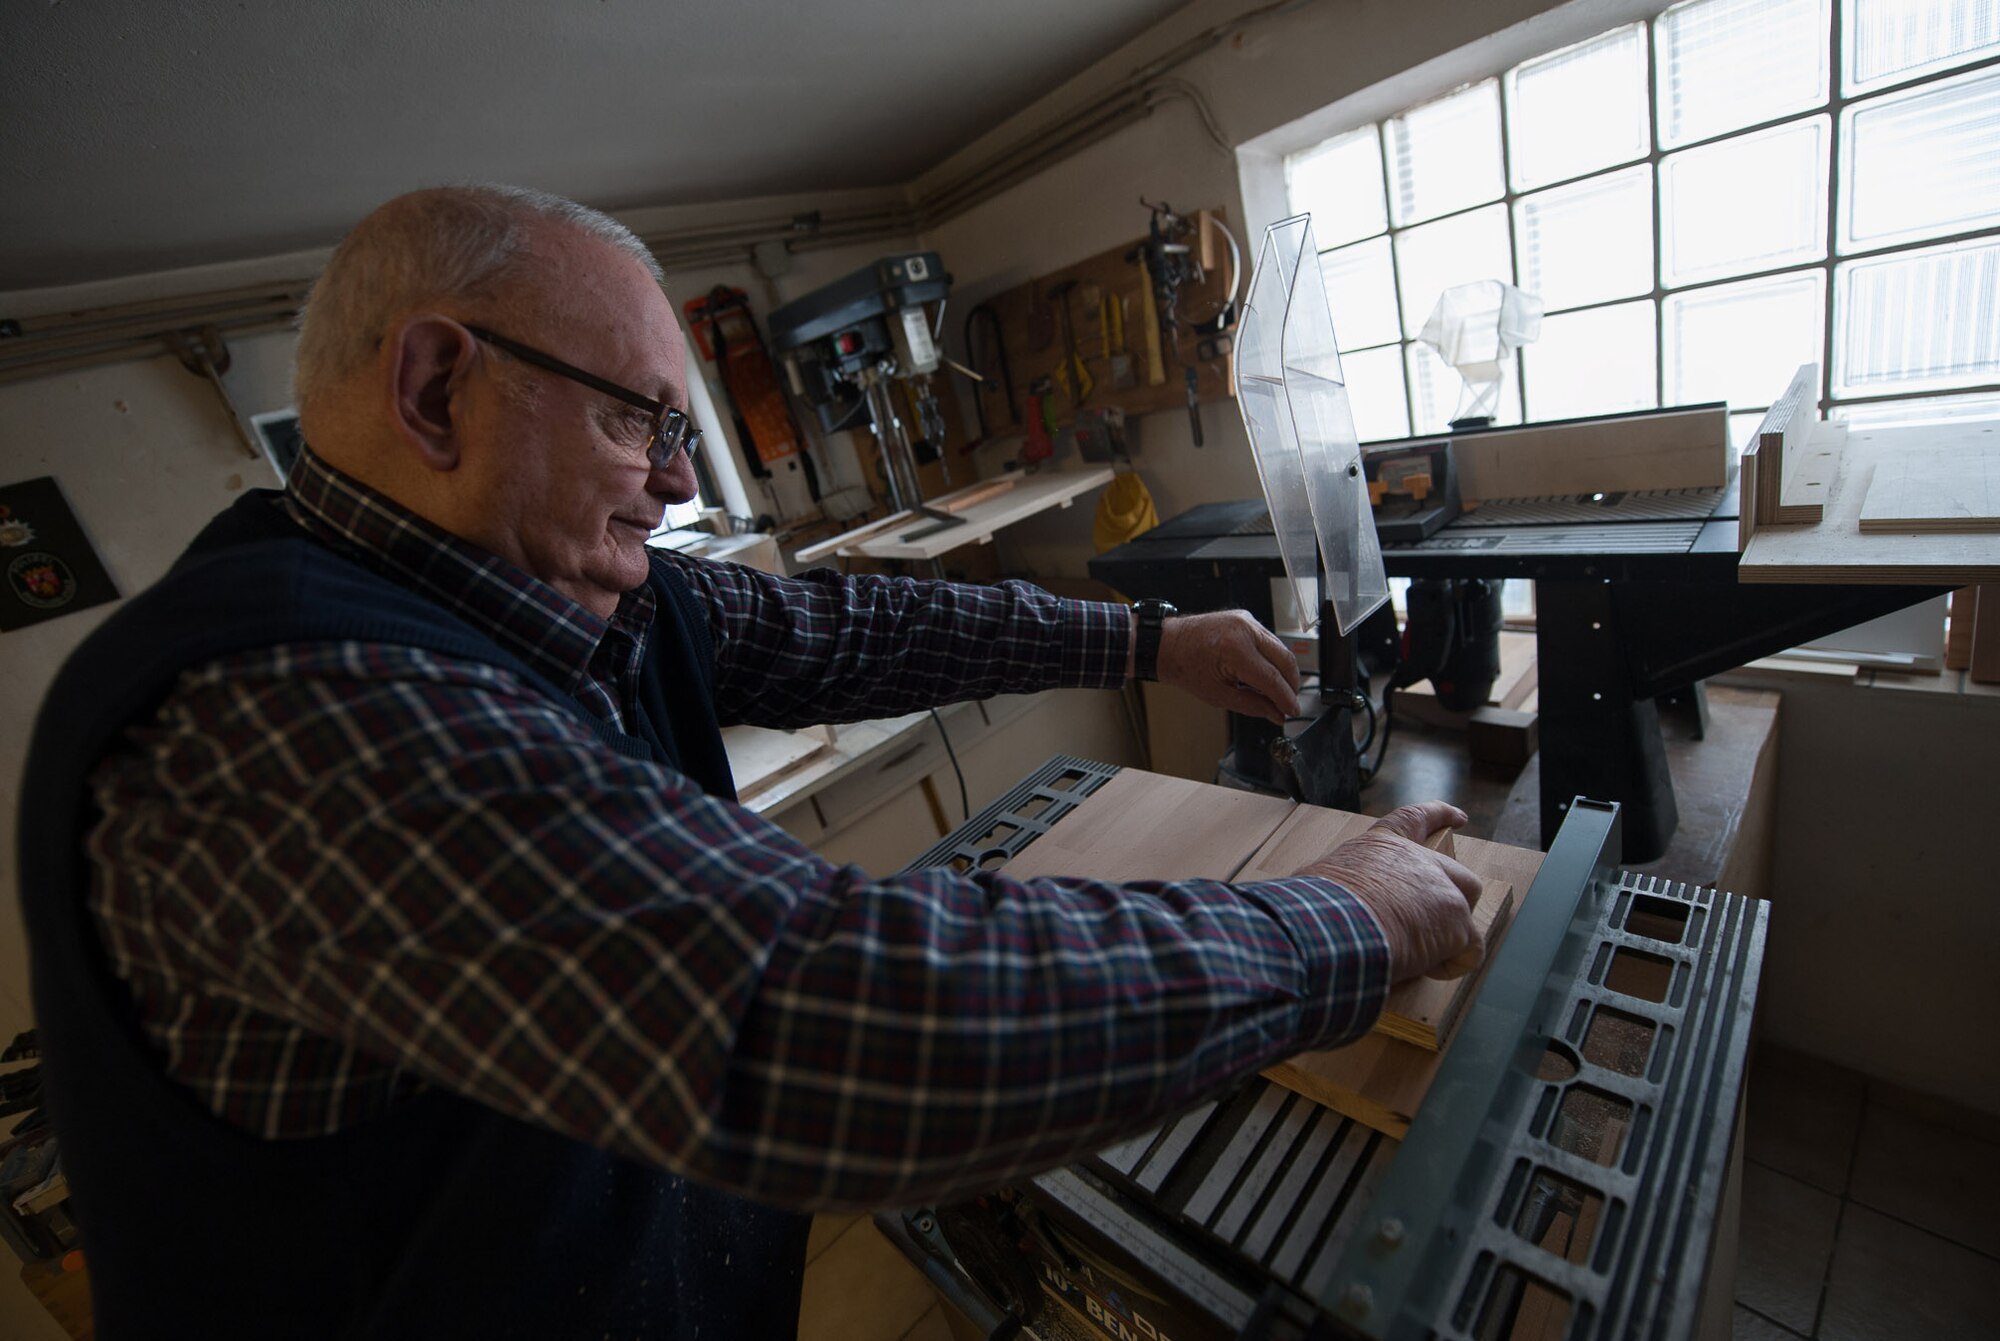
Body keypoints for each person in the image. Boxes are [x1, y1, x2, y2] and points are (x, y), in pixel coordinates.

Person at [18, 185, 1483, 1339]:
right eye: (644, 420)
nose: (675, 476)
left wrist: (1147, 642)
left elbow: (849, 625)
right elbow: (846, 1017)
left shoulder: (564, 589)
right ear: (434, 390)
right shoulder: (272, 718)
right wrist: (1344, 915)